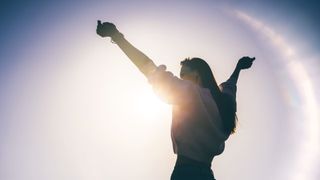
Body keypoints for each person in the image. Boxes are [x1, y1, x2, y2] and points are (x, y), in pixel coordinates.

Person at [96, 20, 255, 180]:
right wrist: (239, 68)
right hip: (207, 174)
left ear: (196, 75)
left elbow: (149, 68)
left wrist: (117, 37)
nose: (181, 80)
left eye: (183, 75)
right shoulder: (225, 103)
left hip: (185, 173)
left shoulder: (190, 93)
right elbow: (230, 85)